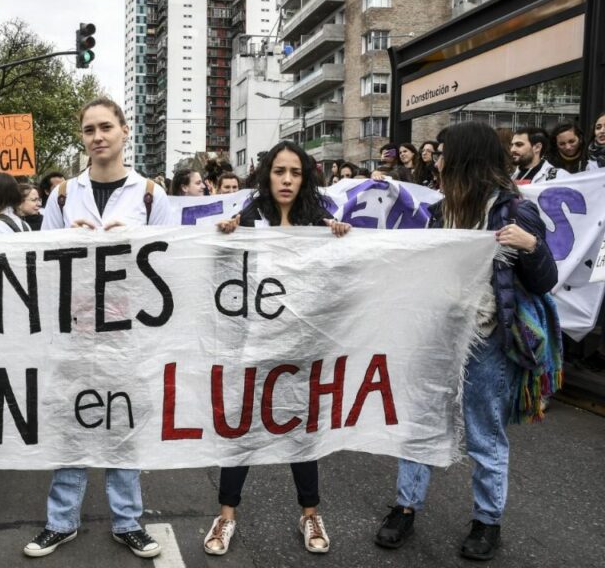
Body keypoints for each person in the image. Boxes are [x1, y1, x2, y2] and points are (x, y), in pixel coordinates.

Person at [374, 121, 557, 561]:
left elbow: (545, 279)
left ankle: (486, 521)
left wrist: (532, 246)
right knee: (420, 424)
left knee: (483, 433)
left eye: (443, 154)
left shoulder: (513, 209)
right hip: (438, 336)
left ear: (464, 159)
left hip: (487, 339)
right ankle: (404, 507)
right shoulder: (440, 211)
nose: (436, 161)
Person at [25, 96, 170, 559]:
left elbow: (171, 260)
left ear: (125, 131)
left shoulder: (151, 193)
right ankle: (61, 520)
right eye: (89, 130)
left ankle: (128, 521)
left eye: (106, 127)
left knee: (122, 423)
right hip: (75, 329)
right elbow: (43, 260)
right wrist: (70, 239)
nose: (98, 136)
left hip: (129, 331)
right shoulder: (64, 194)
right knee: (71, 423)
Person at [208, 141, 350, 557]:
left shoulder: (321, 221)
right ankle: (226, 516)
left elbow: (341, 278)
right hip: (254, 345)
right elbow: (222, 277)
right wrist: (224, 239)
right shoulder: (247, 219)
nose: (287, 180)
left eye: (296, 173)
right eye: (279, 171)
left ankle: (310, 514)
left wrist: (340, 238)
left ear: (304, 179)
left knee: (300, 433)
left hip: (302, 348)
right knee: (242, 432)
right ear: (267, 175)